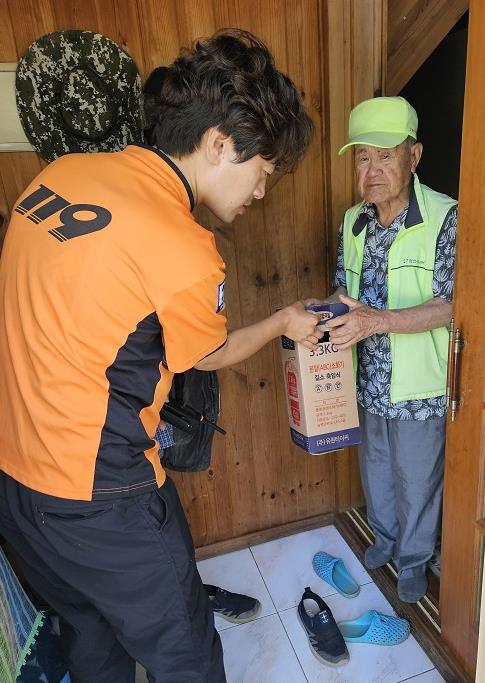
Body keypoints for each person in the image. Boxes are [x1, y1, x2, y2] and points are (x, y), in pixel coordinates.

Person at [0, 29, 321, 682]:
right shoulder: (182, 247)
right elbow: (206, 353)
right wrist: (284, 321)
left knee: (92, 638)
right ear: (219, 144)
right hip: (103, 499)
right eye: (263, 174)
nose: (260, 193)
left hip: (16, 486)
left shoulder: (57, 178)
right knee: (187, 658)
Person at [323, 96, 457, 603]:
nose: (372, 169)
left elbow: (451, 306)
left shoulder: (444, 217)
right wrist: (324, 314)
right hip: (367, 374)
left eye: (385, 155)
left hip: (419, 380)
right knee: (376, 465)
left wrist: (377, 320)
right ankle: (385, 538)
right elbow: (343, 287)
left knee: (417, 477)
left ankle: (415, 558)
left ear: (414, 156)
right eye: (363, 157)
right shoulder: (353, 221)